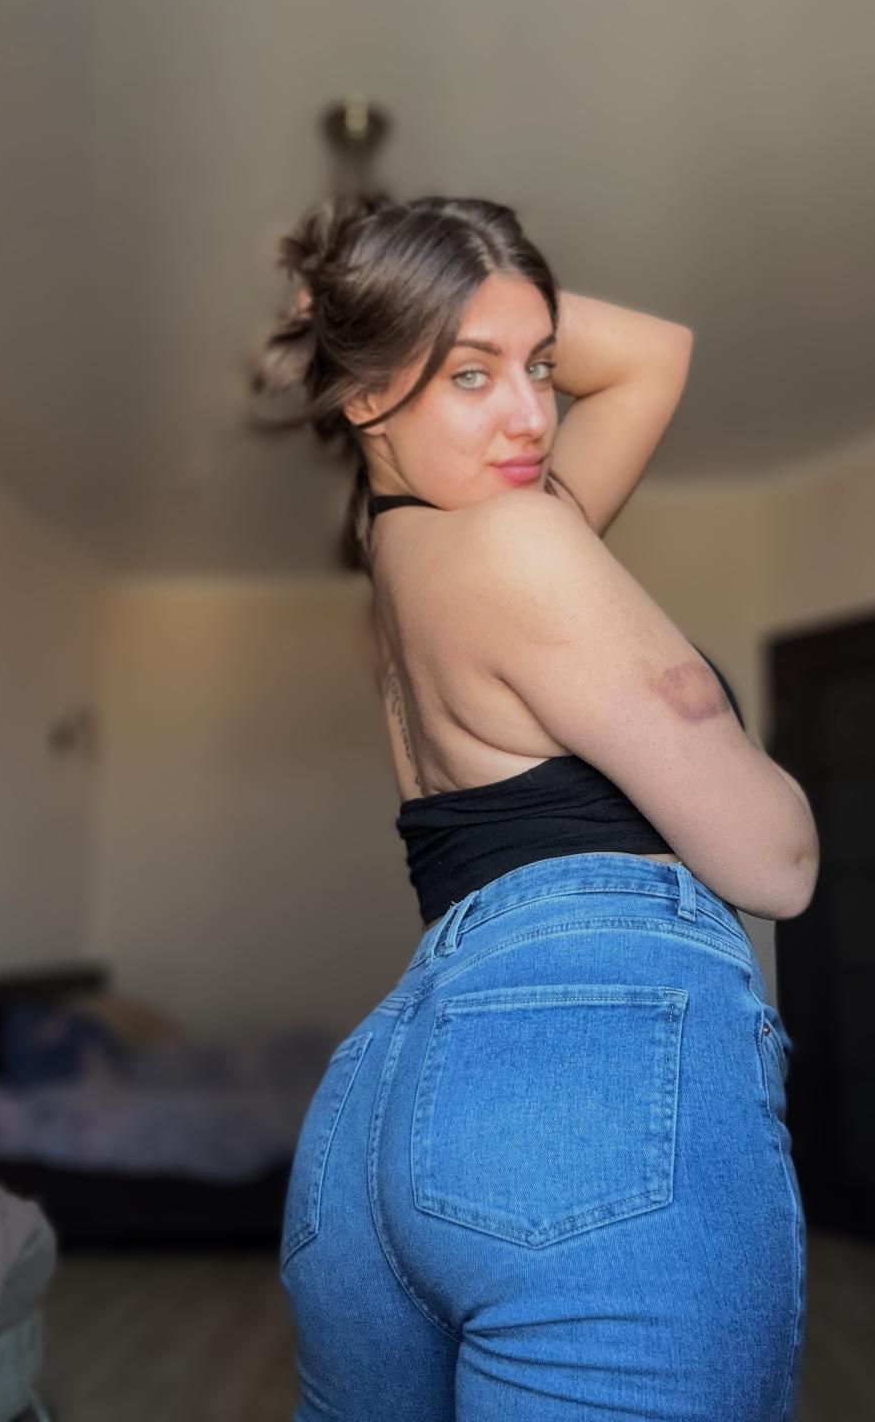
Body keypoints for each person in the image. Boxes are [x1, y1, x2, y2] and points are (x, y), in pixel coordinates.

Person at [255, 191, 819, 1422]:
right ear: (366, 395)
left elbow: (657, 354)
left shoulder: (406, 561)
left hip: (385, 1101)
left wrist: (386, 288)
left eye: (541, 366)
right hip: (584, 1077)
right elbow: (776, 863)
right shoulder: (521, 537)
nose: (531, 414)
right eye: (472, 374)